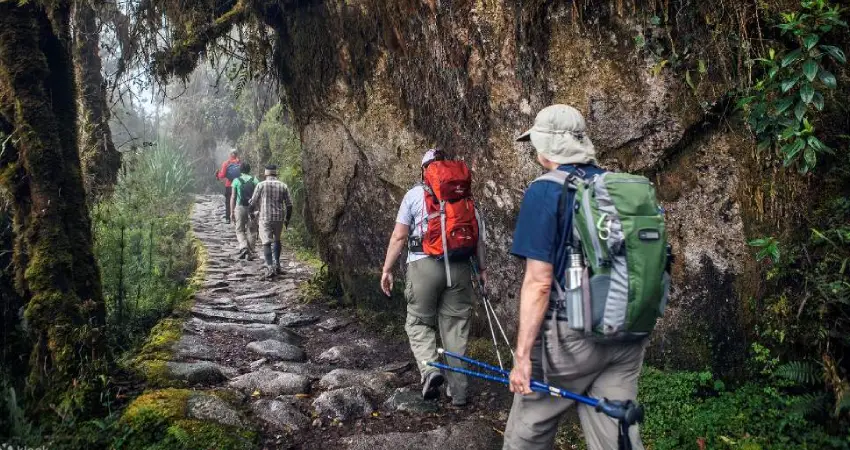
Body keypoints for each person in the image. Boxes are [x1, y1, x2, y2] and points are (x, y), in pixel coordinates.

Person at [503, 104, 647, 450]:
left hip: (572, 339)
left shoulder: (545, 190)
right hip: (627, 332)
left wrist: (522, 358)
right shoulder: (617, 187)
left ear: (547, 146)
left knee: (528, 429)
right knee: (617, 435)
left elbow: (539, 282)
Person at [379, 149, 487, 406]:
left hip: (423, 265)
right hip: (460, 269)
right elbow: (478, 239)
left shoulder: (414, 195)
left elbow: (399, 237)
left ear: (424, 170)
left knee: (418, 323)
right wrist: (482, 270)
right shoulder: (465, 196)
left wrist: (387, 269)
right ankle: (459, 393)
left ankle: (430, 371)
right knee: (456, 329)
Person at [248, 164, 292, 278]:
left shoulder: (261, 185)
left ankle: (269, 267)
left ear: (266, 174)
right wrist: (287, 219)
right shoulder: (283, 186)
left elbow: (252, 202)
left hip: (265, 217)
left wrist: (251, 214)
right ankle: (277, 264)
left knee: (266, 242)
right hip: (279, 217)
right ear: (276, 173)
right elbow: (289, 205)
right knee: (277, 240)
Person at [230, 162, 260, 261]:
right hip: (253, 208)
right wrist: (259, 209)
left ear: (240, 170)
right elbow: (258, 196)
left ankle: (244, 247)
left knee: (239, 229)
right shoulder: (255, 180)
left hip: (240, 207)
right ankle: (250, 251)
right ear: (249, 169)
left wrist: (231, 212)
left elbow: (233, 197)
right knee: (252, 230)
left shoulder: (236, 180)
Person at [216, 149, 241, 224]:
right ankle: (237, 218)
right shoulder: (240, 163)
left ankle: (228, 218)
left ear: (230, 154)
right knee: (238, 201)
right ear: (237, 154)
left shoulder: (226, 163)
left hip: (229, 185)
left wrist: (217, 174)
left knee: (228, 202)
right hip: (239, 185)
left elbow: (222, 175)